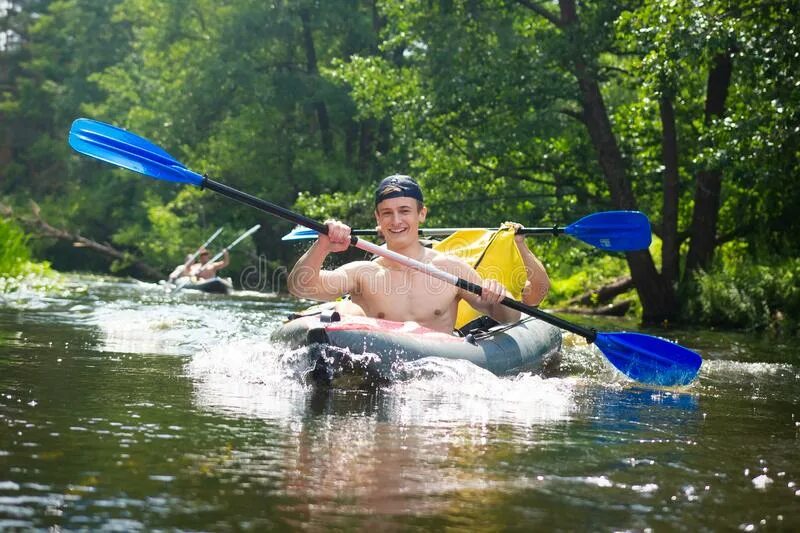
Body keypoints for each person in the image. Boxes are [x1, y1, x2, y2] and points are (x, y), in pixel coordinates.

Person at [287, 175, 520, 334]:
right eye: (387, 213)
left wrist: (498, 294)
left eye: (404, 211)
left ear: (422, 214)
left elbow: (509, 318)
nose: (396, 221)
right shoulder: (363, 274)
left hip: (438, 376)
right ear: (378, 218)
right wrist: (322, 246)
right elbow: (300, 287)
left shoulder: (451, 269)